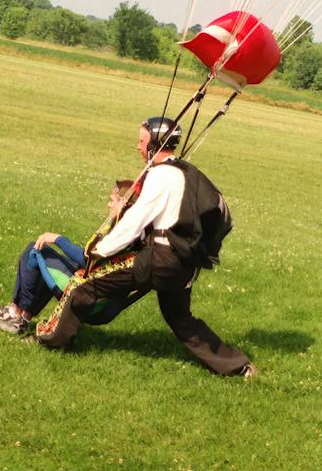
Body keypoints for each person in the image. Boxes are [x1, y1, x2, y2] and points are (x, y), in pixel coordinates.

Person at [27, 116, 256, 379]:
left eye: (142, 141)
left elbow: (135, 223)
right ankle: (238, 366)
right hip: (184, 263)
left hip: (160, 259)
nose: (138, 146)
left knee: (83, 286)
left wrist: (99, 250)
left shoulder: (160, 176)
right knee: (180, 318)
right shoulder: (186, 172)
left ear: (156, 144)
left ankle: (51, 340)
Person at [0, 182, 129, 332]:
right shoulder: (128, 232)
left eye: (113, 201)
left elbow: (87, 259)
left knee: (35, 250)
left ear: (123, 204)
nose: (109, 205)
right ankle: (22, 318)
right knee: (51, 262)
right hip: (99, 295)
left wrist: (58, 238)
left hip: (89, 294)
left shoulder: (119, 233)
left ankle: (14, 314)